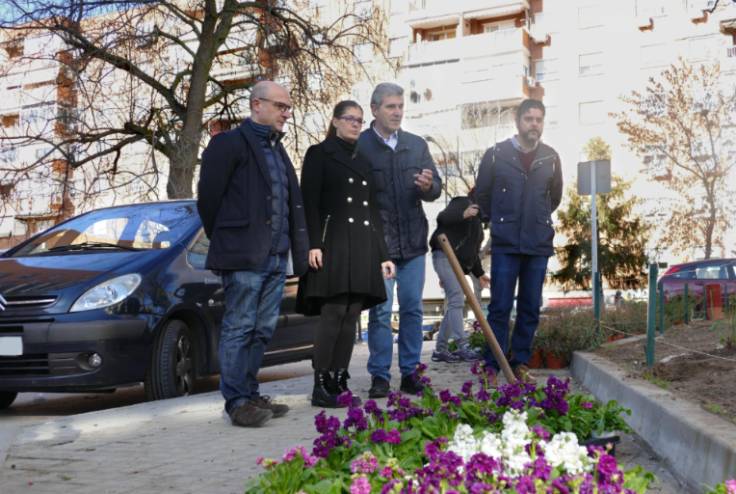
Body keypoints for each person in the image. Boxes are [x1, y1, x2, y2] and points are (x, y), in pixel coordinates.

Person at [197, 81, 309, 427]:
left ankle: (249, 392)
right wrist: (231, 239)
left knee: (261, 330)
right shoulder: (228, 144)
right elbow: (209, 201)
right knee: (240, 326)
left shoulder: (277, 150)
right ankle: (236, 402)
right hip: (244, 256)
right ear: (257, 105)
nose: (286, 113)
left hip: (275, 257)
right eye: (280, 106)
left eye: (288, 107)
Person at [296, 100, 395, 408]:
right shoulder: (319, 154)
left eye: (359, 120)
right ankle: (321, 383)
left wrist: (383, 254)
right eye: (349, 118)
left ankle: (339, 379)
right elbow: (308, 202)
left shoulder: (363, 161)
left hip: (362, 246)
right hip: (332, 244)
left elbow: (372, 211)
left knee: (352, 314)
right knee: (334, 311)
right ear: (336, 121)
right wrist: (313, 243)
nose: (355, 124)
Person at [356, 82, 442, 398]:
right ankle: (380, 376)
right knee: (380, 312)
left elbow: (436, 188)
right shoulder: (360, 146)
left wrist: (429, 186)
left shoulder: (416, 145)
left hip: (414, 243)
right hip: (379, 247)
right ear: (374, 109)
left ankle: (410, 373)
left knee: (412, 310)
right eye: (390, 106)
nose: (397, 112)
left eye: (400, 106)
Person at [475, 98, 563, 384]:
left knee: (529, 306)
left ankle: (520, 363)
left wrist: (535, 219)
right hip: (505, 243)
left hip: (537, 243)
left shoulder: (551, 158)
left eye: (539, 119)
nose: (534, 124)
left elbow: (554, 198)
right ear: (518, 121)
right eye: (529, 119)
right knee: (500, 306)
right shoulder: (496, 155)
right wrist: (500, 221)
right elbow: (482, 194)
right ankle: (492, 366)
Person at [429, 189, 490, 363]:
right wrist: (464, 214)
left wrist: (479, 274)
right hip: (444, 256)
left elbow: (473, 253)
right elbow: (443, 217)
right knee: (457, 299)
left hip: (457, 264)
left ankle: (440, 350)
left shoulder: (478, 224)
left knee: (454, 303)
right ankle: (463, 345)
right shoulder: (462, 202)